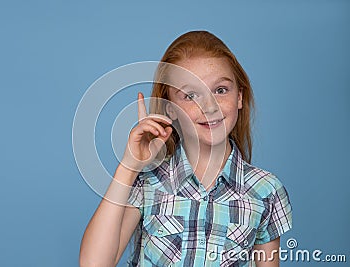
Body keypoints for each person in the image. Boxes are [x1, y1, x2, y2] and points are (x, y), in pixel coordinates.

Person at [79, 30, 292, 267]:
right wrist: (130, 165)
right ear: (170, 108)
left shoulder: (266, 191)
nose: (209, 106)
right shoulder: (148, 182)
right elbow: (93, 264)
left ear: (239, 97)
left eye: (220, 90)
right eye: (190, 95)